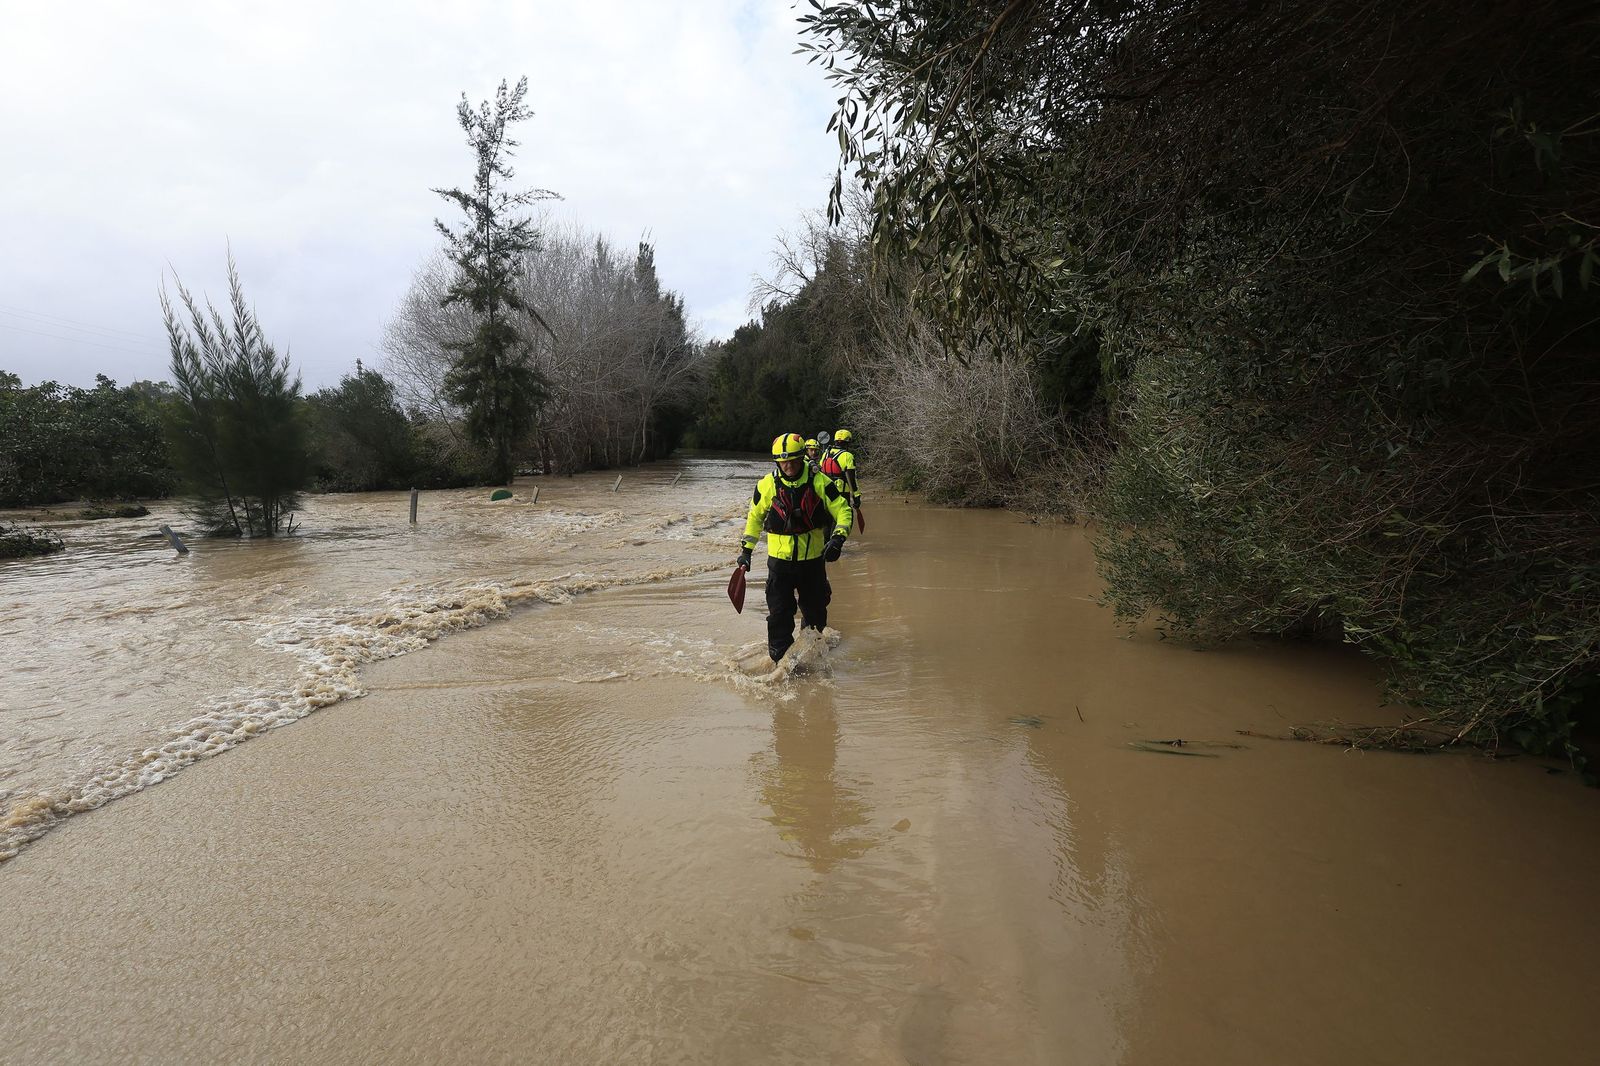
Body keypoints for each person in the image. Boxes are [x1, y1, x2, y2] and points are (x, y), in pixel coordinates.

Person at [738, 433, 853, 662]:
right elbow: (754, 519)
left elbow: (843, 510)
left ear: (802, 457)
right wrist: (746, 552)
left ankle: (810, 659)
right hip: (779, 564)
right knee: (779, 615)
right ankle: (781, 664)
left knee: (815, 614)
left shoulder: (820, 481)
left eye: (792, 460)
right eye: (782, 461)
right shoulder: (767, 484)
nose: (787, 465)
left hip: (812, 562)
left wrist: (838, 538)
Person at [819, 429, 862, 531]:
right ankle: (836, 542)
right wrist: (856, 496)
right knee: (843, 518)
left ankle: (825, 543)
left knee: (828, 520)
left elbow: (821, 470)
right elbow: (852, 479)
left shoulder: (826, 453)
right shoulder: (848, 456)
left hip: (825, 492)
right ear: (848, 442)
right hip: (841, 494)